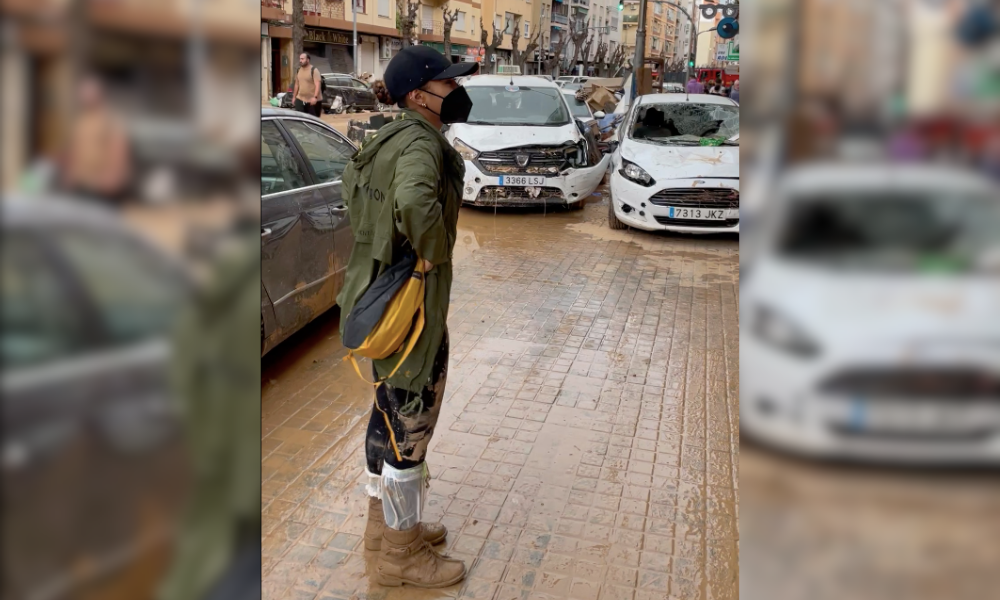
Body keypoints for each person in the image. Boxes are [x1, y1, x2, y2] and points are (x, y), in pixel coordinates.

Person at [336, 45, 478, 589]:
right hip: (409, 310)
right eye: (447, 83)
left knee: (386, 417)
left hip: (375, 298)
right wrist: (433, 253)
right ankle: (400, 555)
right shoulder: (421, 145)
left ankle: (386, 533)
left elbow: (356, 197)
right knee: (410, 427)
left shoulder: (387, 139)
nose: (456, 91)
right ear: (420, 96)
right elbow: (416, 204)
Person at [61, 75, 132, 203]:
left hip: (102, 186)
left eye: (89, 92)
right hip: (81, 183)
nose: (84, 96)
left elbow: (119, 149)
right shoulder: (80, 121)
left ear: (99, 94)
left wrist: (113, 176)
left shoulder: (111, 119)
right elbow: (74, 149)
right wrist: (69, 174)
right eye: (82, 92)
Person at [293, 53, 323, 117]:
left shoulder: (314, 70)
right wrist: (294, 97)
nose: (300, 61)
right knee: (299, 119)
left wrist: (315, 97)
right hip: (300, 98)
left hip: (312, 100)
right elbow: (296, 84)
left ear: (307, 60)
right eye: (300, 59)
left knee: (313, 121)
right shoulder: (298, 70)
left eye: (302, 59)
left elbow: (318, 85)